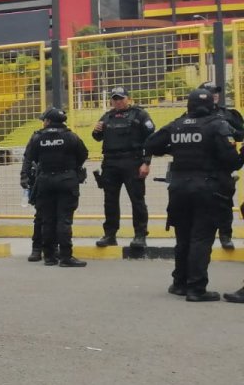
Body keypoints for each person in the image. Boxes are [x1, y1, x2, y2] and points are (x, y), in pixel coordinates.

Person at [146, 89, 242, 301]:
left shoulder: (177, 124)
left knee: (183, 237)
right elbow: (232, 162)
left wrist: (174, 148)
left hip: (179, 187)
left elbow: (151, 144)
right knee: (201, 237)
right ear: (211, 105)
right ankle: (196, 288)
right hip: (207, 188)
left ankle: (179, 283)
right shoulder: (217, 125)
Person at [24, 108, 88, 267]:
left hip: (45, 180)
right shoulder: (70, 136)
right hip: (66, 180)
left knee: (47, 219)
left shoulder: (37, 137)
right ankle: (66, 257)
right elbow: (83, 154)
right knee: (64, 220)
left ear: (49, 121)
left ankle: (49, 256)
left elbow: (30, 157)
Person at [91, 87, 154, 248]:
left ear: (128, 99)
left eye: (121, 98)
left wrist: (146, 162)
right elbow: (97, 137)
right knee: (110, 200)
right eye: (115, 99)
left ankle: (140, 235)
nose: (118, 101)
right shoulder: (107, 116)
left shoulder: (140, 115)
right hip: (111, 163)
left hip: (132, 162)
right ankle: (110, 235)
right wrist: (96, 130)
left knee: (137, 200)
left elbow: (151, 139)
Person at [200, 81, 243, 250]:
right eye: (211, 92)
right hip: (202, 165)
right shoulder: (194, 114)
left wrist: (227, 130)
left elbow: (240, 135)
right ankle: (203, 235)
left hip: (224, 165)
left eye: (217, 91)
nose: (215, 94)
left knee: (225, 203)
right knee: (202, 203)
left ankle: (226, 235)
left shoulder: (229, 115)